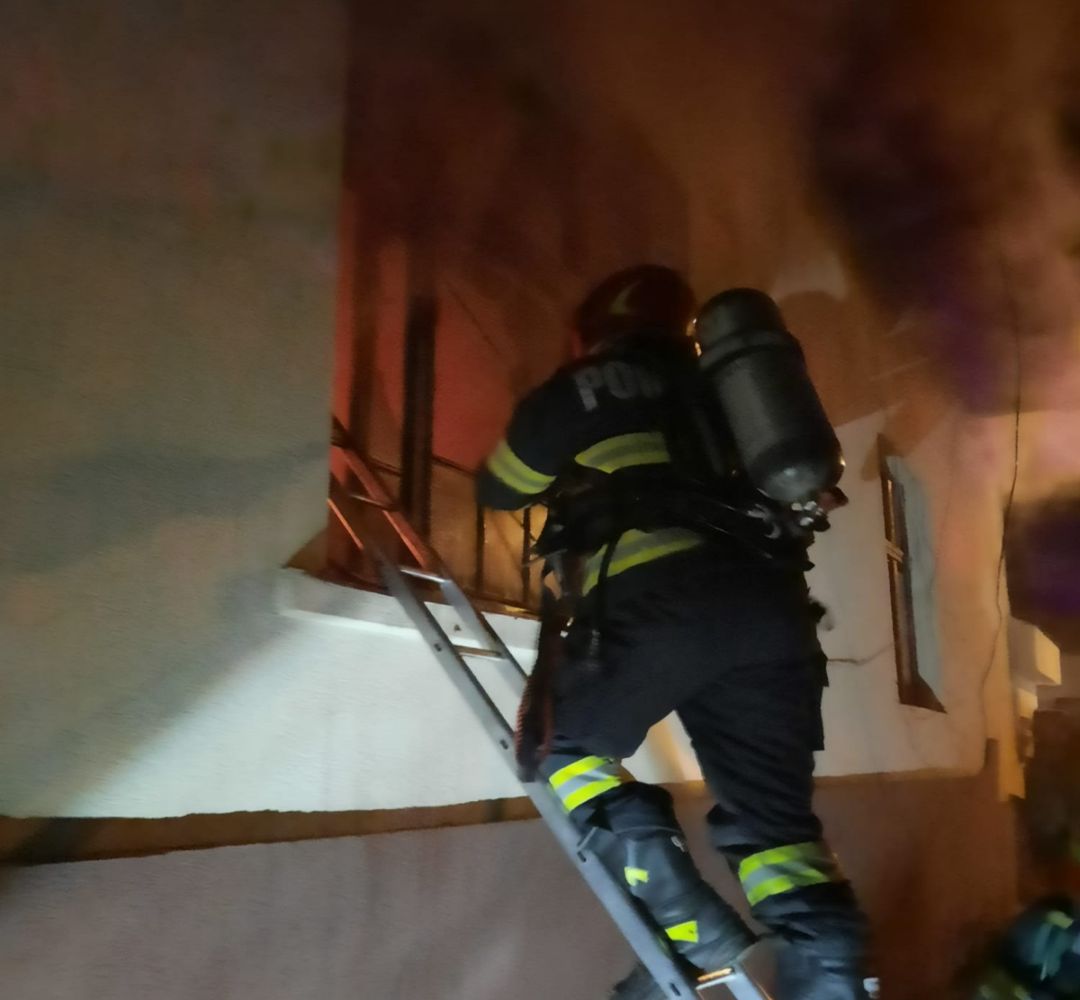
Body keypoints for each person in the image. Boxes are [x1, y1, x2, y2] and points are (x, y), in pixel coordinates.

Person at [476, 265, 870, 1000]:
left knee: (561, 747)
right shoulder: (728, 392)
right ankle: (832, 983)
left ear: (598, 329)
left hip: (662, 604)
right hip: (775, 621)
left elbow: (500, 486)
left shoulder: (586, 385)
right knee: (780, 838)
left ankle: (692, 930)